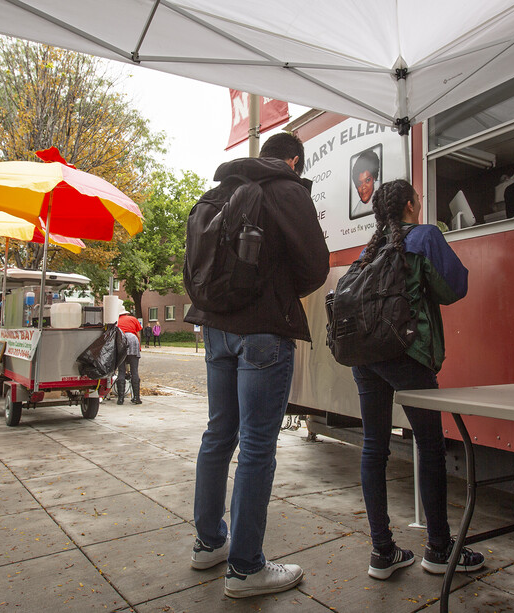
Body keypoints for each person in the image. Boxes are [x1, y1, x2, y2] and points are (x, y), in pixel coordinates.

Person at [185, 131, 329, 598]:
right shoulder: (288, 190)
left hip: (216, 328)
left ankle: (209, 543)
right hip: (265, 331)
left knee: (218, 433)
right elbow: (315, 266)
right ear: (293, 160)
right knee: (257, 447)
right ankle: (246, 567)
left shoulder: (216, 191)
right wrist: (278, 286)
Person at [348, 179, 484, 581]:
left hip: (364, 356)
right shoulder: (424, 236)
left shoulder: (368, 248)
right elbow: (454, 288)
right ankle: (440, 549)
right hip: (406, 354)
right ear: (411, 204)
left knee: (374, 447)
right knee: (429, 446)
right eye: (419, 201)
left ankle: (382, 552)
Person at [116, 309, 142, 404]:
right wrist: (138, 347)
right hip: (133, 339)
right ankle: (136, 398)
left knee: (121, 371)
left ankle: (120, 399)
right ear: (127, 313)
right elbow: (138, 334)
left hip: (121, 341)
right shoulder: (133, 319)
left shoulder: (117, 321)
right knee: (134, 371)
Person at [350, 148, 380, 219]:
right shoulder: (356, 212)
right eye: (359, 183)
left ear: (374, 179)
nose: (363, 187)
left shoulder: (384, 194)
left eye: (367, 180)